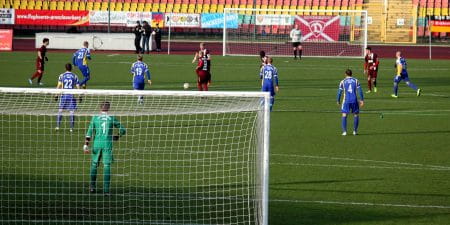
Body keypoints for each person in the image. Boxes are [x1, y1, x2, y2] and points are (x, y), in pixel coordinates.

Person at [83, 101, 126, 195]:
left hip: (97, 144)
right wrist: (117, 136)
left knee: (94, 165)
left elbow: (89, 132)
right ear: (108, 108)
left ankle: (92, 187)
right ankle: (106, 191)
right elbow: (123, 130)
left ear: (100, 108)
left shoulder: (95, 118)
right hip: (107, 144)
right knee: (107, 166)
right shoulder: (111, 118)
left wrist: (86, 144)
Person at [336, 69, 364, 136]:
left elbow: (339, 92)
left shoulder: (343, 81)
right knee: (356, 115)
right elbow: (360, 91)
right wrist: (362, 100)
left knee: (344, 115)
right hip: (354, 100)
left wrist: (338, 100)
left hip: (346, 101)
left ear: (345, 74)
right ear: (351, 74)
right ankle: (355, 131)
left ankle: (344, 132)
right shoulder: (356, 80)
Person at [55, 63, 80, 132]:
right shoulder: (74, 76)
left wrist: (56, 95)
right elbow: (78, 87)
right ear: (71, 68)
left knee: (60, 111)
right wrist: (80, 96)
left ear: (65, 68)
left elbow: (59, 86)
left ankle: (57, 126)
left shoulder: (62, 76)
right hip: (71, 96)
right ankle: (71, 128)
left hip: (64, 96)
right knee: (72, 112)